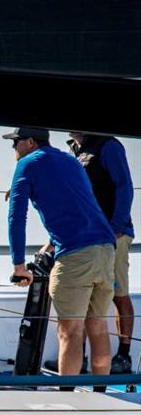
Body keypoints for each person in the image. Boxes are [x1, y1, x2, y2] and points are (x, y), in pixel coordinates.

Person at [5, 127, 116, 387]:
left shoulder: (26, 164)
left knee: (70, 331)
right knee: (98, 327)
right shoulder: (69, 159)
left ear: (30, 142)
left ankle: (66, 397)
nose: (13, 149)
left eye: (15, 143)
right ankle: (102, 396)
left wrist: (18, 265)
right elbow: (80, 203)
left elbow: (16, 217)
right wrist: (52, 244)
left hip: (76, 255)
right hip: (105, 248)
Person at [67, 132, 135, 374]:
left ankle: (124, 356)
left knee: (119, 294)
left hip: (113, 234)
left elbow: (124, 186)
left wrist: (116, 227)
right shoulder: (74, 149)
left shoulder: (108, 145)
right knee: (83, 298)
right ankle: (80, 359)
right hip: (87, 237)